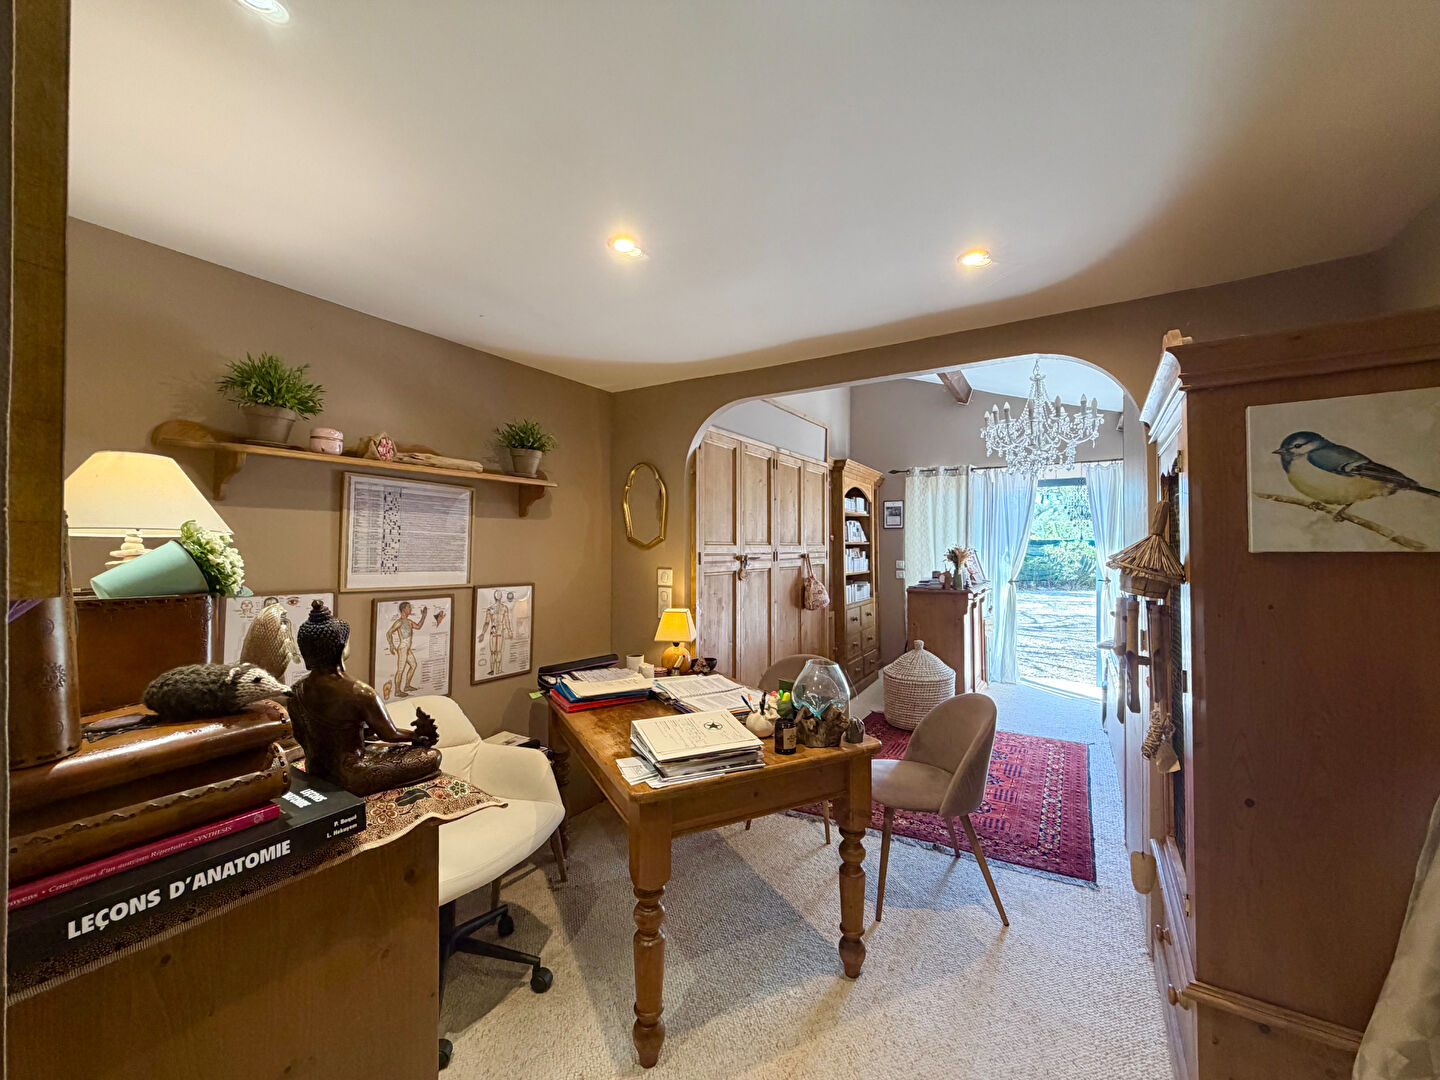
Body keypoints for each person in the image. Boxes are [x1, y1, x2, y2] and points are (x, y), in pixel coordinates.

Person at [384, 600, 427, 697]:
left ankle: (407, 686)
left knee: (413, 665)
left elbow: (418, 626)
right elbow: (389, 633)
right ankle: (397, 691)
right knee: (400, 670)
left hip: (407, 649)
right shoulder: (399, 622)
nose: (410, 609)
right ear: (403, 610)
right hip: (403, 648)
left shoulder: (409, 622)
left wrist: (423, 616)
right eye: (409, 607)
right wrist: (391, 644)